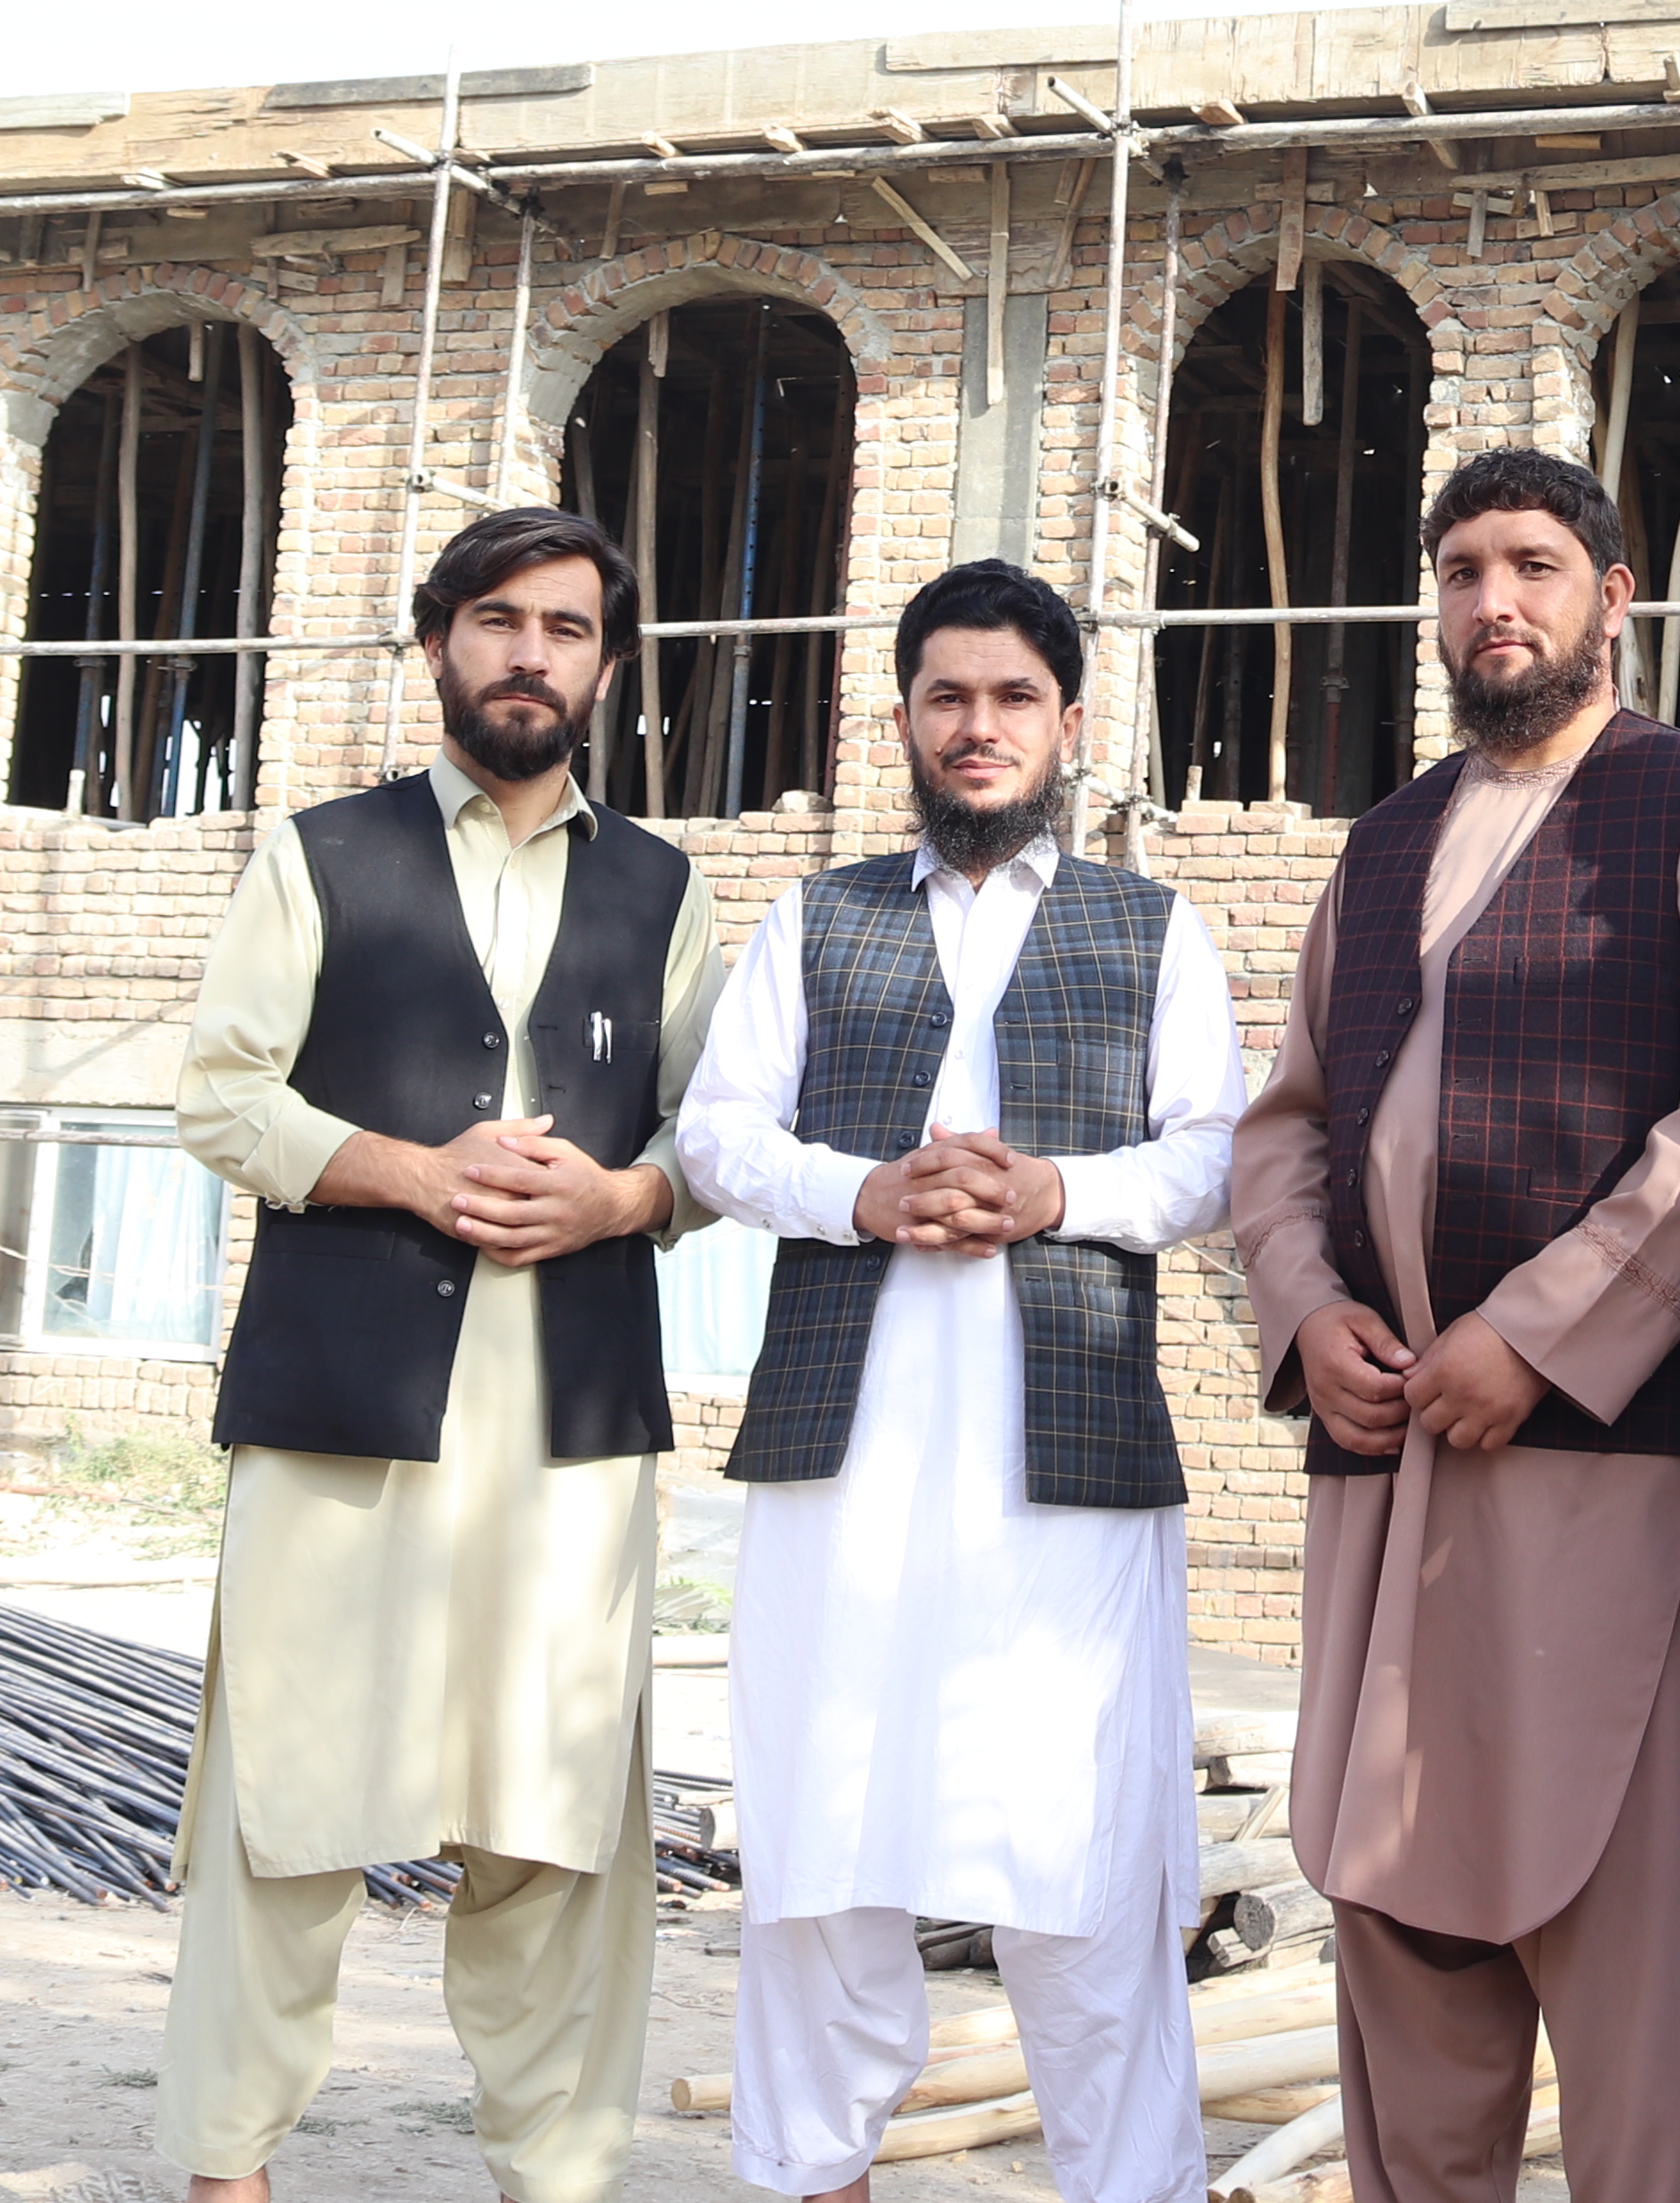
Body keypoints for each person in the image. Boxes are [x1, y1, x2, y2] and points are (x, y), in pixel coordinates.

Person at [1228, 446, 1680, 2203]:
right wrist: (1312, 1308)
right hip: (1389, 1454)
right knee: (1393, 1910)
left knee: (1622, 1951)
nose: (1499, 599)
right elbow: (1286, 1123)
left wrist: (1541, 1333)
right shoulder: (1387, 835)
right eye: (1466, 566)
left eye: (1538, 562)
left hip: (1599, 1459)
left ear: (1611, 595)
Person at [158, 503, 725, 2203]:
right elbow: (221, 1094)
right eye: (497, 620)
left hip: (565, 1437)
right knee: (283, 1795)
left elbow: (721, 1140)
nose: (528, 654)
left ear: (605, 667)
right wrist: (413, 1171)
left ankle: (554, 2175)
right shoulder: (319, 855)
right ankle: (225, 2167)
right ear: (438, 648)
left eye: (565, 628)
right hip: (341, 1414)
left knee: (557, 1821)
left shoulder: (664, 887)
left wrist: (624, 1197)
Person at [675, 559, 1248, 2203]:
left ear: (1071, 723)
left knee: (1082, 1873)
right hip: (840, 1471)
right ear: (906, 722)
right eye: (947, 698)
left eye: (1012, 698)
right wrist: (862, 1192)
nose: (978, 728)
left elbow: (1215, 1162)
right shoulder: (817, 916)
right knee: (821, 1853)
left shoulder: (1156, 930)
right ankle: (810, 2173)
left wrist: (1057, 1193)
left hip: (1061, 1479)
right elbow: (717, 1134)